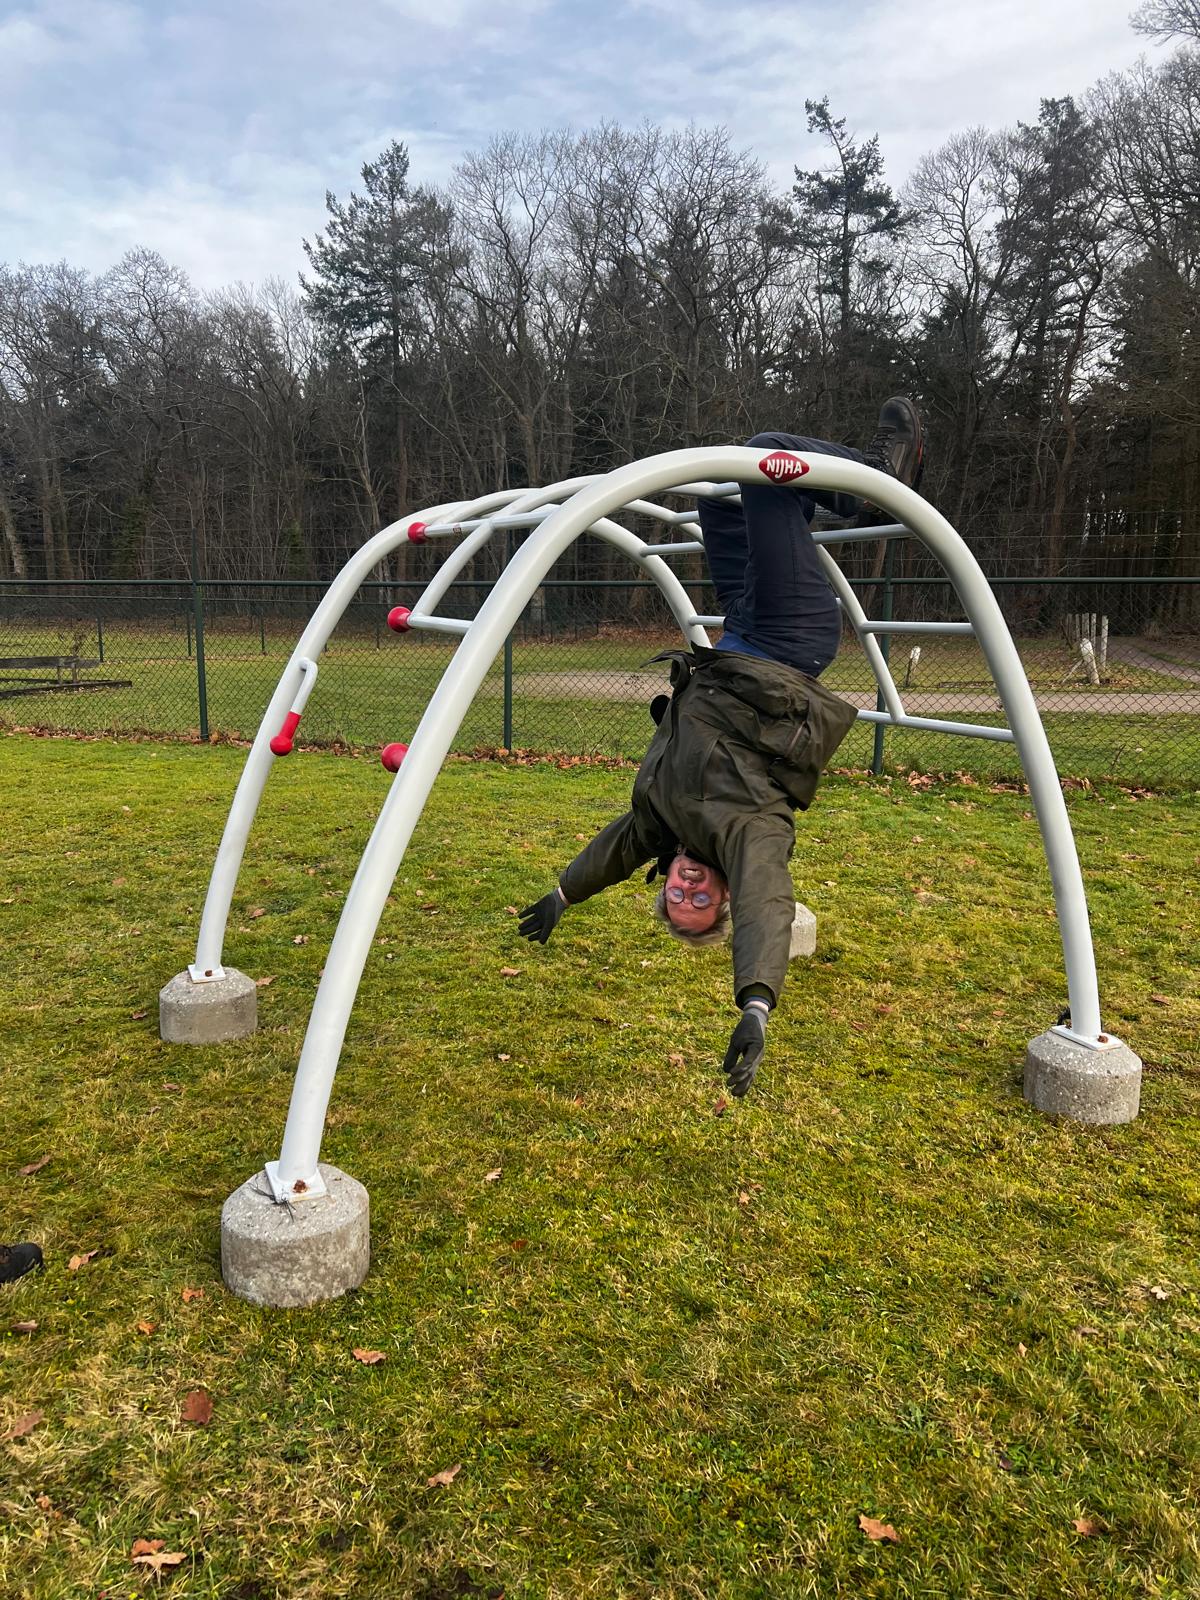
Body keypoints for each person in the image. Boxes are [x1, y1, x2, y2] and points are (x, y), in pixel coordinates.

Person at [518, 399, 924, 1098]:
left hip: (740, 633)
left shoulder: (662, 826)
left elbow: (616, 850)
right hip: (788, 641)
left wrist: (564, 892)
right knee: (765, 459)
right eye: (699, 901)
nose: (686, 888)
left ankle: (830, 493)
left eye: (675, 896)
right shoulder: (748, 835)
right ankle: (880, 474)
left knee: (720, 497)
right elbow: (768, 906)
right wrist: (756, 1004)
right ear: (723, 894)